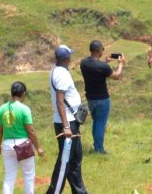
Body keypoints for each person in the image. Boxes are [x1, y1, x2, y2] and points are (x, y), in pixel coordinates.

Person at [47, 45, 89, 194]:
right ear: (67, 58)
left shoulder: (58, 71)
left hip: (71, 121)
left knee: (75, 159)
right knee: (65, 161)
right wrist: (66, 127)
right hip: (67, 122)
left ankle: (80, 191)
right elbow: (60, 101)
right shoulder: (61, 74)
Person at [0, 81, 44, 194]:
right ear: (23, 93)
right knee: (28, 176)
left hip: (7, 145)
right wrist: (38, 148)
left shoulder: (2, 109)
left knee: (9, 177)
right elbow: (30, 131)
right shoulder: (24, 109)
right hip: (23, 146)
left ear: (12, 93)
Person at [80, 40, 125, 154]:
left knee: (96, 122)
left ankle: (96, 145)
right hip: (102, 99)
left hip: (90, 99)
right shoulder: (102, 66)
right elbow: (116, 76)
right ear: (99, 50)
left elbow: (97, 69)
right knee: (100, 124)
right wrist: (120, 64)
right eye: (103, 49)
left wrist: (105, 62)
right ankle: (99, 149)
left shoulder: (84, 63)